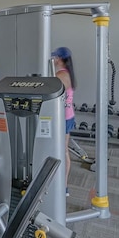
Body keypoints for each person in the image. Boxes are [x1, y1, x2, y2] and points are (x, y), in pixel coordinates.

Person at [52, 47, 76, 197]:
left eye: (54, 57)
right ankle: (62, 186)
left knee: (61, 151)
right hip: (67, 115)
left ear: (59, 58)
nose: (53, 60)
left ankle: (62, 186)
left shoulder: (61, 75)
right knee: (62, 151)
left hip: (62, 118)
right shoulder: (66, 74)